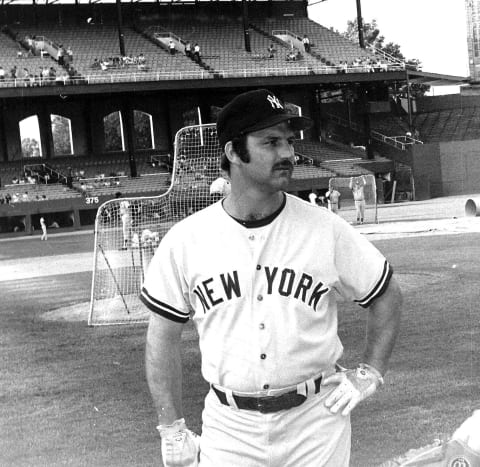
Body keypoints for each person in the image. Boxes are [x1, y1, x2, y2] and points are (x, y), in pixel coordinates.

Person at [142, 89, 403, 467]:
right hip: (230, 428)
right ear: (233, 152)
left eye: (290, 142)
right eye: (271, 142)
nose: (287, 154)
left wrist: (371, 372)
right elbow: (161, 335)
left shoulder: (325, 229)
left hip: (316, 420)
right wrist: (171, 428)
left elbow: (387, 295)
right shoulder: (186, 240)